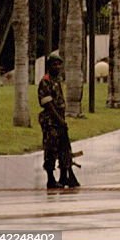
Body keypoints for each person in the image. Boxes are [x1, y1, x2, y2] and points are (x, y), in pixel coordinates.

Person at [38, 52, 78, 189]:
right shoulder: (46, 81)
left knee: (64, 148)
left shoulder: (57, 80)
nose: (57, 67)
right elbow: (48, 104)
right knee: (51, 149)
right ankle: (50, 179)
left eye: (59, 64)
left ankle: (64, 176)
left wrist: (62, 120)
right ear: (49, 66)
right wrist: (59, 120)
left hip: (60, 120)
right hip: (50, 121)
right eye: (54, 64)